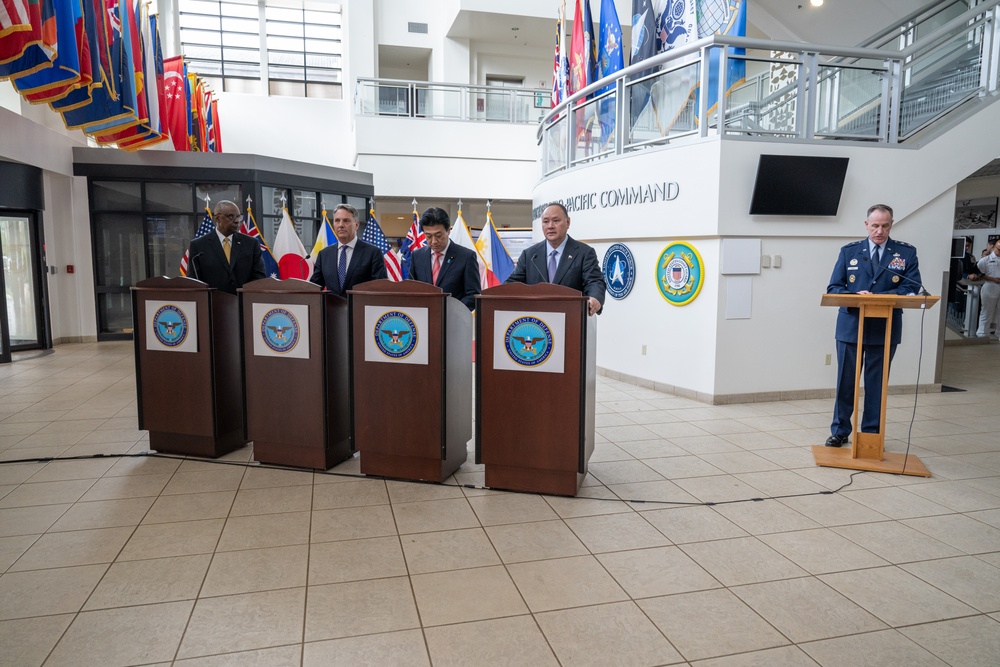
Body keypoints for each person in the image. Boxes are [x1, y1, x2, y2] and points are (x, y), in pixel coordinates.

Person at [825, 204, 922, 447]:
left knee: (876, 384)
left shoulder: (905, 253)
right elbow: (834, 287)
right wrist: (858, 295)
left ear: (891, 225)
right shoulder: (850, 252)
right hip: (851, 327)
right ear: (866, 225)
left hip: (884, 328)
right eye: (875, 225)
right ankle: (840, 431)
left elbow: (911, 287)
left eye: (885, 226)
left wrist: (882, 297)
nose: (879, 231)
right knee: (845, 383)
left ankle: (870, 433)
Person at [505, 202, 606, 316]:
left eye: (556, 221)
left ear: (568, 222)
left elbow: (594, 282)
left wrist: (594, 299)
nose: (550, 226)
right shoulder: (529, 255)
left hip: (571, 319)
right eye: (546, 221)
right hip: (536, 323)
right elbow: (512, 285)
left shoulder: (584, 253)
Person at [408, 207, 480, 310]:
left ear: (448, 230)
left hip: (453, 319)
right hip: (423, 318)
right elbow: (411, 290)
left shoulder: (466, 257)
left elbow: (473, 295)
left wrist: (450, 312)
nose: (434, 241)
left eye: (438, 235)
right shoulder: (417, 256)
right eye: (428, 236)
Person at [186, 200, 265, 295]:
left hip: (244, 303)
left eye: (238, 216)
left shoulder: (251, 244)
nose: (236, 221)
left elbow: (259, 277)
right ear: (218, 218)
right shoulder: (199, 245)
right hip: (212, 304)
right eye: (231, 216)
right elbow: (193, 281)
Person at [309, 204, 387, 296]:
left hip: (360, 308)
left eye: (346, 221)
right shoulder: (324, 254)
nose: (341, 225)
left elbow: (380, 288)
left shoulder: (373, 253)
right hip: (331, 309)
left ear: (356, 225)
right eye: (337, 221)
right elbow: (314, 287)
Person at [975, 239, 1000, 337]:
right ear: (994, 247)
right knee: (986, 310)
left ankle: (998, 333)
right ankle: (982, 333)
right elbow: (978, 274)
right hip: (990, 286)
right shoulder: (985, 260)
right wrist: (993, 279)